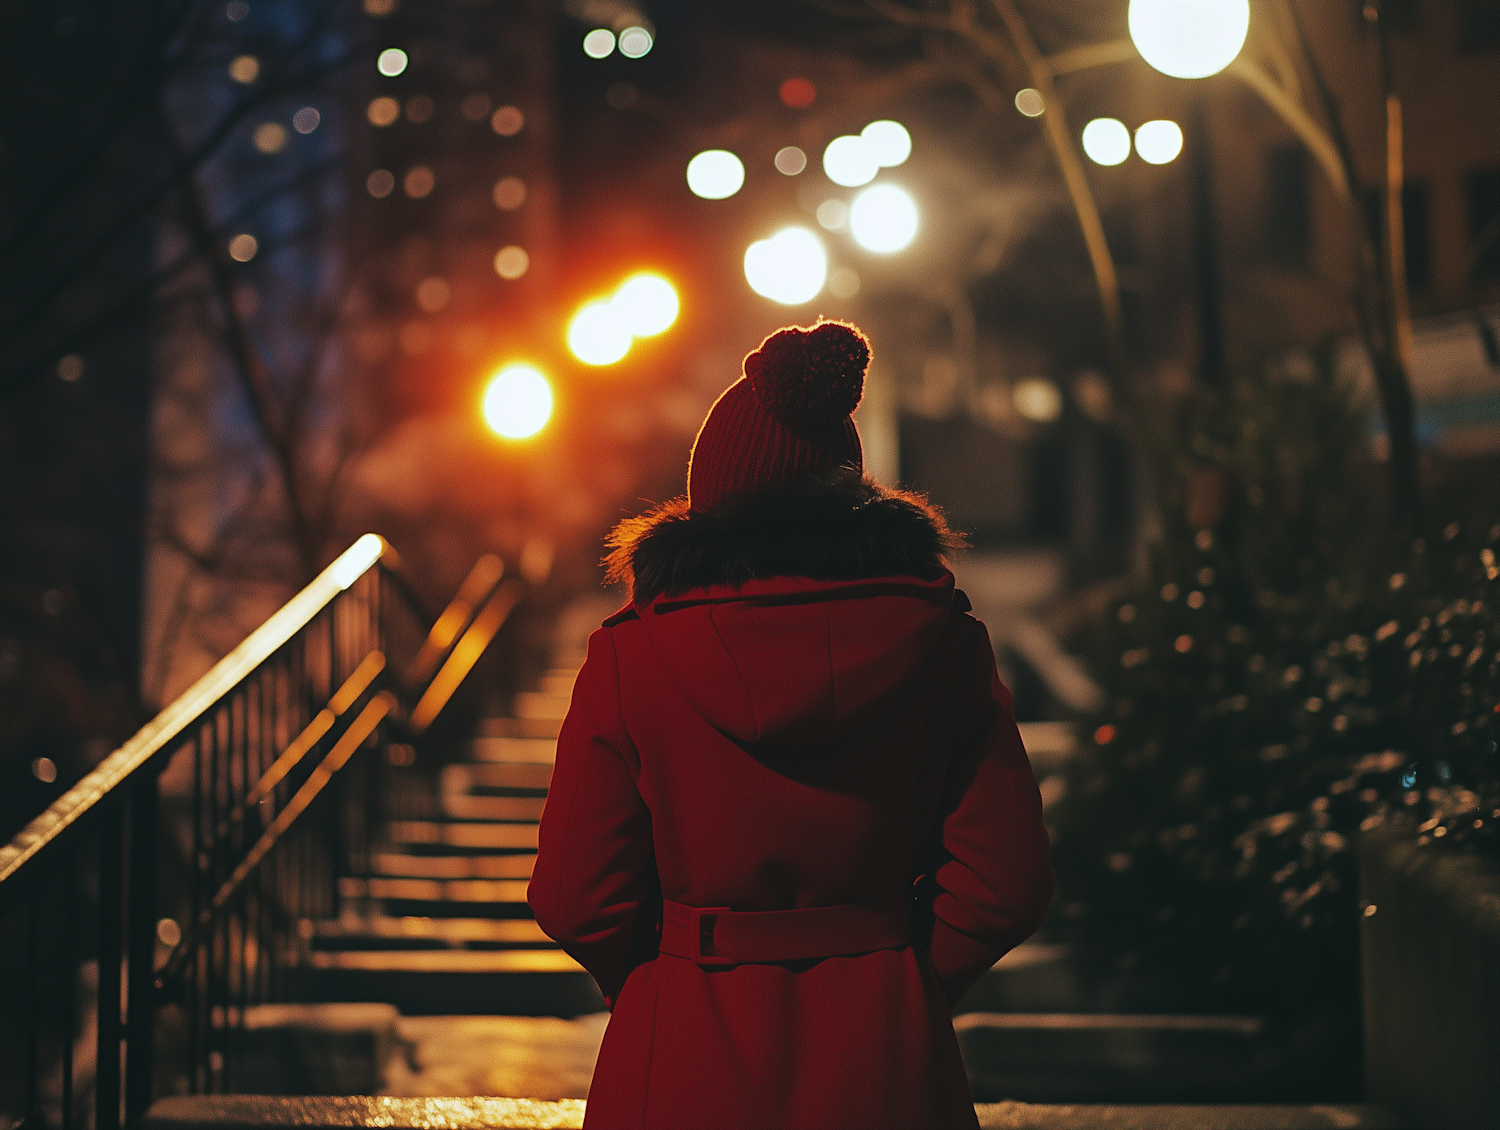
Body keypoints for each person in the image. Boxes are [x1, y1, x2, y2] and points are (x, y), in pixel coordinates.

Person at [529, 319, 1054, 1130]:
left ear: (708, 504)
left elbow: (575, 896)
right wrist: (902, 979)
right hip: (886, 1063)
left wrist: (668, 979)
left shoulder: (633, 658)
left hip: (681, 1059)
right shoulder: (943, 643)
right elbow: (1006, 881)